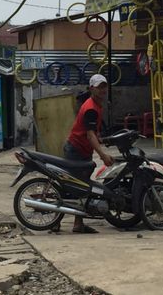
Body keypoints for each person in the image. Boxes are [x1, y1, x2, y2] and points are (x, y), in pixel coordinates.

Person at [62, 73, 114, 234]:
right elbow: (89, 134)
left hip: (81, 149)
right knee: (76, 186)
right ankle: (65, 222)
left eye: (104, 86)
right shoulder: (91, 107)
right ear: (92, 89)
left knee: (80, 186)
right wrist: (103, 155)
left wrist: (102, 140)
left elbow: (93, 132)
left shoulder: (95, 105)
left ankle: (78, 222)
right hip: (76, 149)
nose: (103, 90)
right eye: (99, 87)